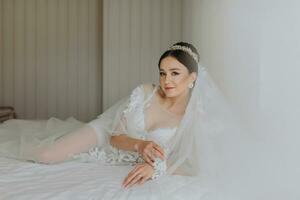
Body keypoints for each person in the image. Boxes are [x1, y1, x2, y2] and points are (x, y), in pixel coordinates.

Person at [0, 42, 239, 197]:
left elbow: (193, 161)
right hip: (108, 134)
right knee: (46, 155)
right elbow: (114, 136)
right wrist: (140, 145)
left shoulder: (195, 115)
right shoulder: (145, 92)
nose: (167, 80)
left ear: (192, 77)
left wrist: (156, 167)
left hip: (129, 155)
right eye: (163, 73)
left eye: (175, 73)